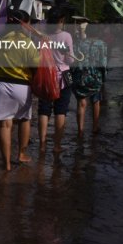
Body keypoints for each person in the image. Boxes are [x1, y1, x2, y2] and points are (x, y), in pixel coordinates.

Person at [0, 8, 40, 171]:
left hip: (0, 85)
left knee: (4, 125)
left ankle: (6, 164)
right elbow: (36, 66)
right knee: (24, 120)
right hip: (22, 86)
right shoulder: (28, 43)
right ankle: (21, 154)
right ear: (24, 25)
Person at [37, 8, 74, 153]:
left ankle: (42, 145)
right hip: (62, 77)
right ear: (61, 21)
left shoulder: (43, 36)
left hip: (46, 76)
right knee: (61, 111)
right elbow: (70, 59)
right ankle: (57, 146)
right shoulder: (66, 36)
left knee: (44, 110)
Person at [72, 21, 107, 136]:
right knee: (96, 101)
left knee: (81, 103)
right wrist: (104, 78)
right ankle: (95, 127)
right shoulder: (102, 44)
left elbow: (75, 61)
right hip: (95, 76)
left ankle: (80, 131)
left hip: (81, 76)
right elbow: (103, 63)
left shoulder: (79, 43)